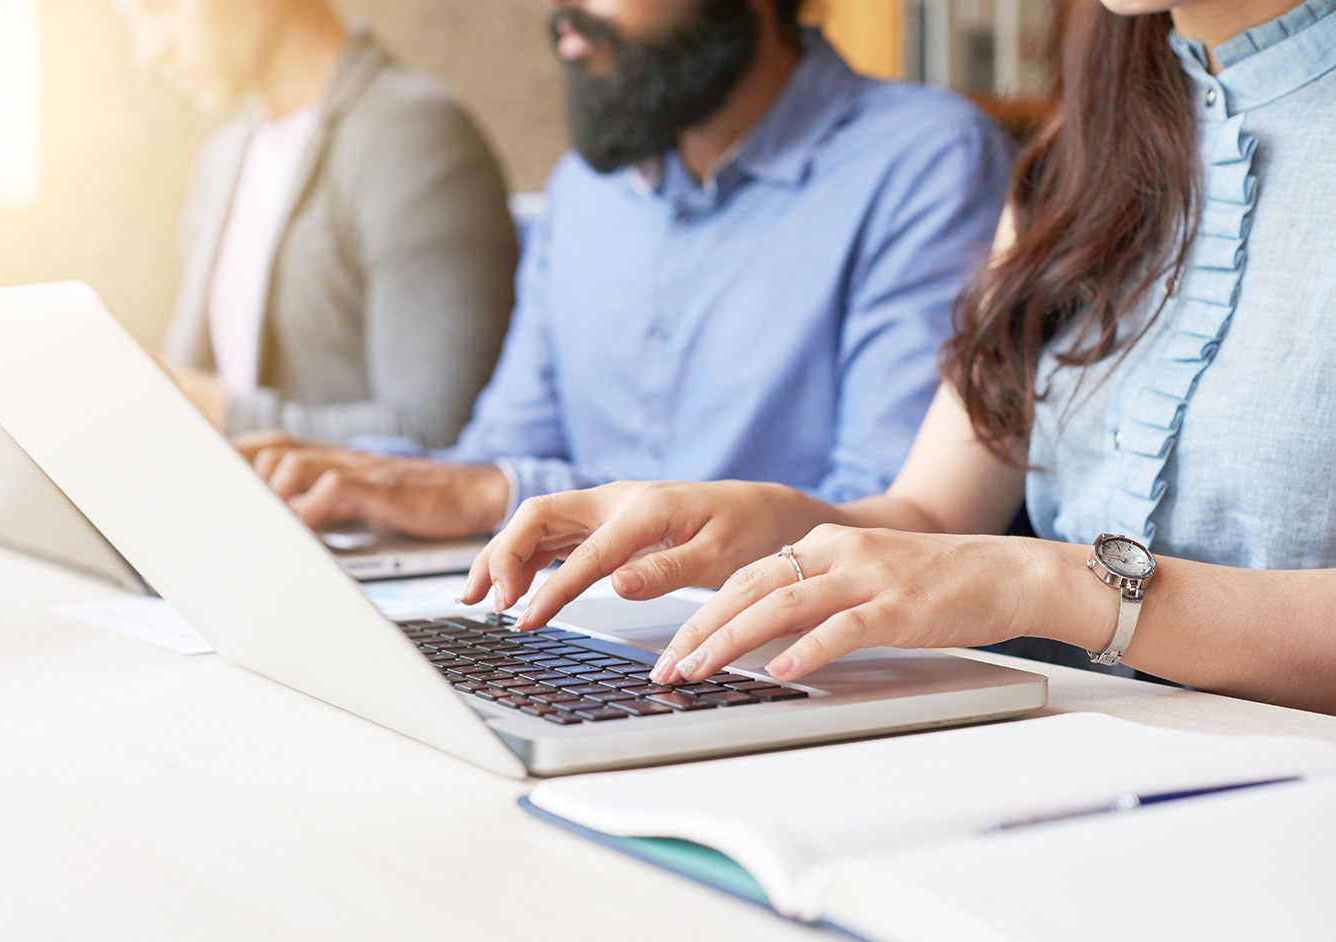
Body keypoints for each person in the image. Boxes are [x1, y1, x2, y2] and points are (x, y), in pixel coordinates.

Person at [463, 0, 1336, 716]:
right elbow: (927, 510)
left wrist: (1050, 582)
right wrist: (750, 520)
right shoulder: (1083, 150)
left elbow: (1011, 569)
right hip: (1078, 760)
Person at [237, 0, 1012, 539]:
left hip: (797, 664)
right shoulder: (586, 191)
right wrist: (345, 476)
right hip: (582, 626)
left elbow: (887, 523)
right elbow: (500, 451)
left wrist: (502, 493)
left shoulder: (924, 162)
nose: (563, 12)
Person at [113, 0, 518, 447]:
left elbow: (431, 430)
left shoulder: (411, 135)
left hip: (337, 517)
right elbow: (189, 380)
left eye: (160, 7)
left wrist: (225, 412)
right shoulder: (221, 158)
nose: (148, 51)